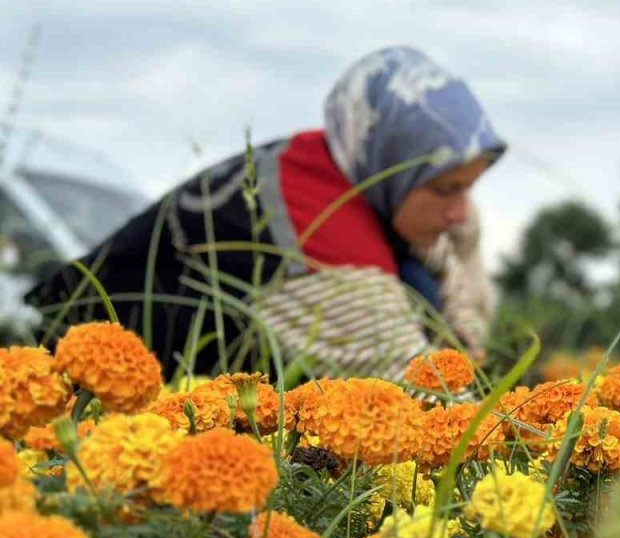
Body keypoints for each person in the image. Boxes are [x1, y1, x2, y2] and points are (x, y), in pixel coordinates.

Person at [28, 46, 504, 378]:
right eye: (447, 189)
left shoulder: (348, 165)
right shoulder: (320, 224)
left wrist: (465, 245)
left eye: (469, 188)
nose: (461, 212)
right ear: (390, 164)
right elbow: (419, 392)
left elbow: (463, 325)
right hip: (77, 375)